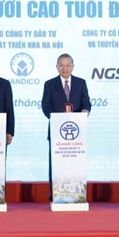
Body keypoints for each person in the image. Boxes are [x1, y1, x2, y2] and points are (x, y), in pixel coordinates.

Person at [41, 53, 91, 199]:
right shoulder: (49, 84)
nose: (65, 68)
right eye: (61, 65)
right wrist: (56, 118)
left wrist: (85, 111)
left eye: (68, 65)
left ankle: (77, 194)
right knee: (56, 164)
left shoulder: (81, 83)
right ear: (57, 67)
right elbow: (46, 105)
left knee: (75, 163)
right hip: (57, 132)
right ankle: (56, 194)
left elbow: (86, 102)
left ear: (73, 67)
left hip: (76, 133)